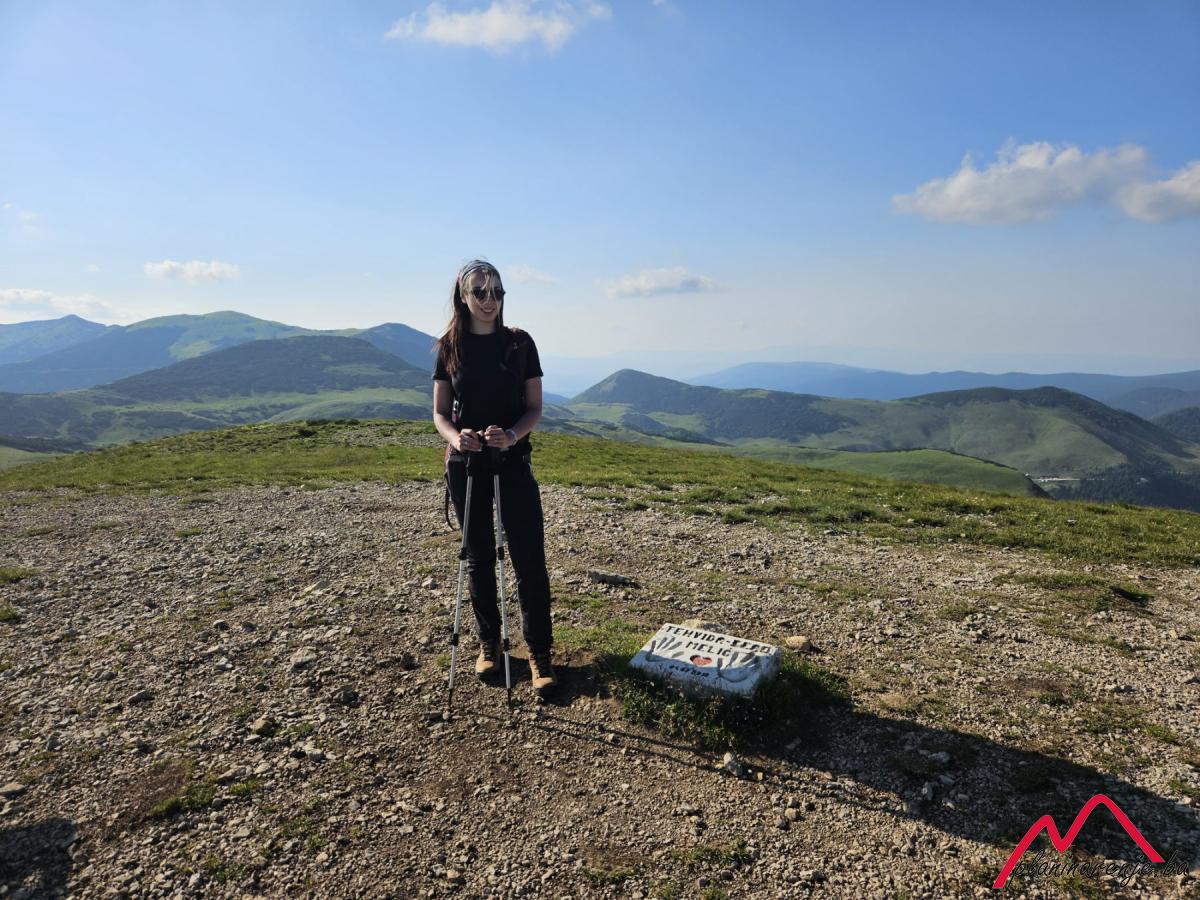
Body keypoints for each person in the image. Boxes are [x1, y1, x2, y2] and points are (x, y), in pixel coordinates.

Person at [431, 259, 557, 695]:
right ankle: (489, 645)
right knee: (479, 557)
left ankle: (540, 653)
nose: (490, 300)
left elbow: (534, 408)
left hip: (512, 461)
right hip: (465, 466)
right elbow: (440, 413)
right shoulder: (450, 346)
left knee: (529, 559)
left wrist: (512, 436)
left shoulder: (520, 344)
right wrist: (457, 437)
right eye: (480, 292)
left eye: (497, 292)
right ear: (463, 297)